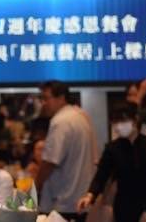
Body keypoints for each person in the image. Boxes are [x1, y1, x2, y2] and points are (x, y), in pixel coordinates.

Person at [76, 102, 146, 222]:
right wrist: (90, 195)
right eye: (115, 122)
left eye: (123, 120)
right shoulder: (113, 148)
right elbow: (101, 175)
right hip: (124, 205)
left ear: (135, 120)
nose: (118, 126)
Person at [35, 81, 97, 222]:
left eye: (46, 98)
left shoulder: (60, 121)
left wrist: (35, 186)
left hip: (63, 201)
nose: (43, 103)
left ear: (61, 97)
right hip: (80, 198)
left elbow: (50, 162)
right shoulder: (81, 115)